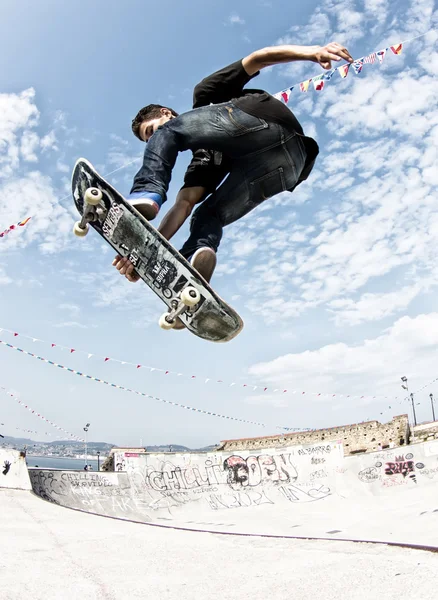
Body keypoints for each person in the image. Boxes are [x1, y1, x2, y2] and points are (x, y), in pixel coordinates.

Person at [113, 42, 353, 287]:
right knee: (207, 214)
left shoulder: (205, 95)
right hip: (290, 164)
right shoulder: (203, 160)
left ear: (166, 112)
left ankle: (147, 189)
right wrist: (142, 253)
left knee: (169, 133)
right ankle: (195, 261)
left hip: (266, 124)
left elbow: (258, 58)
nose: (154, 140)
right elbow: (183, 205)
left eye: (151, 131)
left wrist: (312, 52)